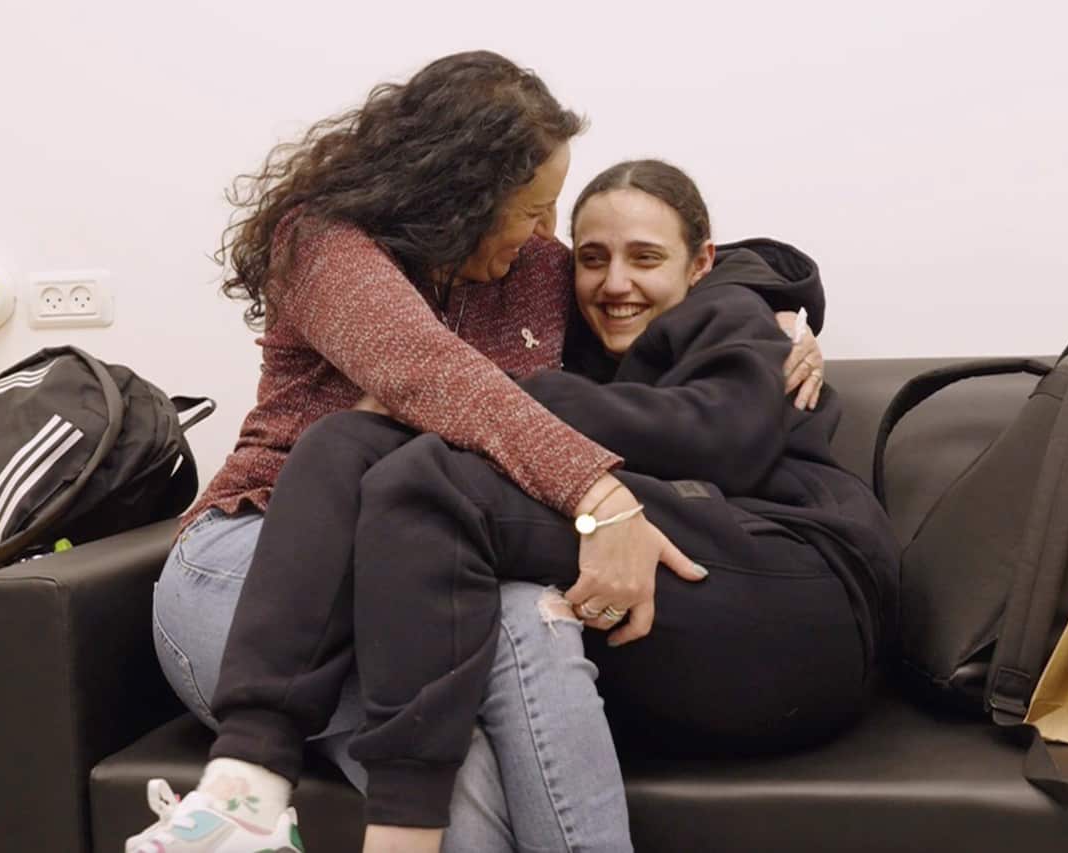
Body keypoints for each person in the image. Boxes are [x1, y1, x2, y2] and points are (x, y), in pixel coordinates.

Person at [128, 50, 825, 853]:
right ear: (460, 196)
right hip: (261, 554)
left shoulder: (529, 268)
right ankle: (240, 804)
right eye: (531, 210)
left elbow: (649, 266)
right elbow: (433, 374)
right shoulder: (324, 243)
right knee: (459, 770)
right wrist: (600, 495)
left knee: (534, 619)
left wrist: (767, 307)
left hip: (422, 560)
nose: (544, 233)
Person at [336, 159, 900, 847]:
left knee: (432, 478)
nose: (616, 282)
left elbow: (723, 439)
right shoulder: (579, 338)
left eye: (645, 258)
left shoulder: (731, 312)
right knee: (428, 500)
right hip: (712, 609)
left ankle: (351, 802)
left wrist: (504, 395)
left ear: (701, 264)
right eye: (593, 259)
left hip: (802, 576)